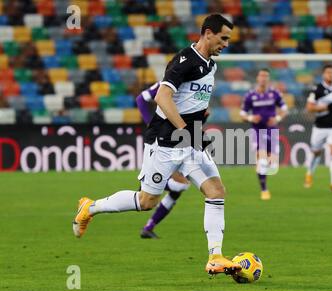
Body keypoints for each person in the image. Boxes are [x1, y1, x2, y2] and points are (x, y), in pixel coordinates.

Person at [73, 14, 242, 275]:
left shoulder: (211, 65)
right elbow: (162, 98)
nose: (227, 43)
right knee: (146, 201)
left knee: (216, 192)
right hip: (165, 142)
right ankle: (90, 207)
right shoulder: (184, 61)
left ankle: (215, 256)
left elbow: (194, 99)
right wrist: (187, 129)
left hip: (190, 143)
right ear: (208, 33)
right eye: (223, 38)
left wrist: (199, 118)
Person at [136, 81, 191, 239]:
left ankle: (149, 227)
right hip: (162, 141)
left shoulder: (195, 86)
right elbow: (141, 99)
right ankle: (148, 182)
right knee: (180, 185)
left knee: (179, 189)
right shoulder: (168, 83)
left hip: (179, 141)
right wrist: (150, 123)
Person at [240, 68, 288, 200]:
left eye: (266, 76)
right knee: (261, 158)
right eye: (261, 76)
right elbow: (242, 113)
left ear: (269, 78)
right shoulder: (250, 95)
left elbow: (284, 109)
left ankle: (264, 166)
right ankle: (264, 190)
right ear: (257, 78)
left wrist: (277, 118)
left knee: (272, 164)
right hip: (257, 131)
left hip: (272, 131)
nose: (263, 78)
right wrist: (251, 118)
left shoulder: (275, 93)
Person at [304, 64, 332, 192]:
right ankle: (309, 172)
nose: (330, 75)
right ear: (323, 74)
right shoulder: (316, 89)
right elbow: (309, 108)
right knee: (316, 152)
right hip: (320, 126)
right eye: (328, 72)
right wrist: (326, 107)